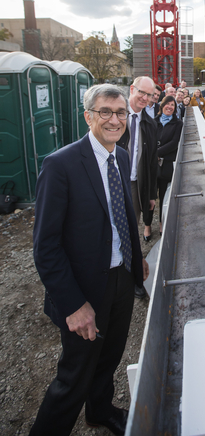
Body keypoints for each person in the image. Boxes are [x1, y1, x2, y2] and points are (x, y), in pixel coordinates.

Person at [30, 84, 149, 436]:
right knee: (74, 374)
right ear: (88, 116)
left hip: (122, 278)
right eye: (105, 112)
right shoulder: (60, 165)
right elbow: (45, 247)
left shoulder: (122, 155)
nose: (114, 120)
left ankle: (99, 410)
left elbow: (124, 214)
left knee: (109, 357)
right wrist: (73, 305)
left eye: (120, 113)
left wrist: (136, 259)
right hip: (85, 289)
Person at [116, 77, 157, 267]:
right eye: (142, 92)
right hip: (113, 181)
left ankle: (131, 270)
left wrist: (150, 195)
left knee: (131, 229)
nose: (145, 97)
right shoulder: (115, 116)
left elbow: (151, 163)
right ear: (132, 89)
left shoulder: (149, 124)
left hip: (135, 185)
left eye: (149, 95)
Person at [154, 96, 183, 236]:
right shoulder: (154, 121)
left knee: (164, 194)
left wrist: (157, 152)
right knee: (152, 194)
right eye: (167, 104)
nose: (170, 107)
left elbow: (174, 142)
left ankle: (162, 222)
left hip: (166, 164)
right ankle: (148, 225)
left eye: (173, 105)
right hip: (153, 164)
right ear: (162, 105)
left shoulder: (177, 123)